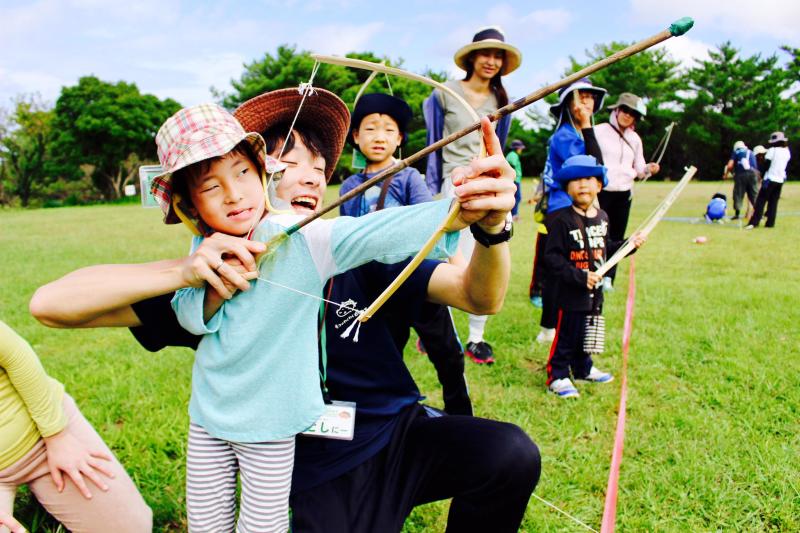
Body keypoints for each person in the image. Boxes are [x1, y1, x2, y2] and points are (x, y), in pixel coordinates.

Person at [31, 89, 540, 533]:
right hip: (317, 458)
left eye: (320, 167)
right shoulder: (213, 275)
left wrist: (486, 220)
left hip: (397, 431)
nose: (310, 179)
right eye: (289, 163)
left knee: (508, 454)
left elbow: (480, 298)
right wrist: (183, 271)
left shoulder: (340, 244)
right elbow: (52, 306)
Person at [153, 97, 495, 531]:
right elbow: (186, 316)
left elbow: (372, 233)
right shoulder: (203, 248)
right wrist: (213, 285)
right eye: (210, 186)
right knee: (207, 523)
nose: (234, 194)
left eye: (242, 173)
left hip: (272, 424)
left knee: (262, 524)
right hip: (207, 417)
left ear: (260, 173)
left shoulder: (300, 237)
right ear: (188, 205)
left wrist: (457, 210)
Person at [340, 93, 471, 413]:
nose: (379, 136)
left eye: (388, 129)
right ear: (356, 137)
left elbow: (435, 223)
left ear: (399, 139)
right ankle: (390, 414)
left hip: (418, 277)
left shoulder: (409, 176)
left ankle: (460, 411)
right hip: (377, 287)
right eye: (369, 129)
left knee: (447, 353)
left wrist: (458, 268)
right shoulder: (348, 186)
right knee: (385, 351)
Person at [423, 26, 521, 364]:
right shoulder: (443, 93)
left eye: (498, 56)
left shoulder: (502, 101)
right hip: (451, 186)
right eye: (486, 54)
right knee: (446, 256)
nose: (491, 61)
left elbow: (501, 147)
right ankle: (441, 330)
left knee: (487, 253)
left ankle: (476, 338)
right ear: (472, 57)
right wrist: (435, 187)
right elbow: (432, 142)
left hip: (488, 188)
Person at [0, 319, 151, 533]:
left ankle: (50, 490)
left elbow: (16, 356)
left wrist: (56, 436)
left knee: (132, 529)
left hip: (43, 440)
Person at [542, 155, 645, 398]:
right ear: (567, 187)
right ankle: (557, 375)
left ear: (599, 185)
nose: (582, 185)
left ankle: (582, 367)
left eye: (588, 179)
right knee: (567, 334)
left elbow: (606, 248)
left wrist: (629, 244)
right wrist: (579, 276)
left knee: (586, 332)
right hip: (569, 292)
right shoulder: (560, 221)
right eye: (575, 180)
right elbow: (553, 258)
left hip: (594, 293)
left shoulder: (603, 217)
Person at [531, 77, 607, 345]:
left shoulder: (579, 133)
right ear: (568, 104)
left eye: (590, 95)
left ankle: (572, 324)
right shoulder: (565, 135)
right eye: (580, 96)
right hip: (562, 209)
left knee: (578, 266)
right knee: (558, 268)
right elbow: (595, 164)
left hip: (578, 207)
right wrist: (587, 125)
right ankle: (549, 327)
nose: (586, 100)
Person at [595, 92, 660, 290]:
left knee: (617, 235)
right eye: (625, 110)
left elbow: (640, 169)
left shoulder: (635, 139)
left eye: (633, 113)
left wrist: (649, 168)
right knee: (598, 235)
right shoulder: (598, 131)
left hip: (624, 193)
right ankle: (594, 273)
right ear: (616, 109)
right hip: (601, 191)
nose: (627, 115)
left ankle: (609, 278)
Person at [746, 131, 791, 229]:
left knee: (761, 201)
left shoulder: (772, 150)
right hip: (780, 179)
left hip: (770, 178)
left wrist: (761, 175)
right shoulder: (787, 151)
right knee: (773, 202)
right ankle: (770, 223)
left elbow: (767, 165)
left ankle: (754, 222)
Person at [723, 140, 758, 220]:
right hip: (753, 174)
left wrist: (726, 174)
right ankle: (759, 214)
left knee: (738, 194)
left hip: (741, 175)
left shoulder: (737, 152)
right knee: (754, 194)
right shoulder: (751, 152)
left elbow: (729, 165)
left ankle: (737, 214)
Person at [506, 139, 525, 221]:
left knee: (516, 197)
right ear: (517, 148)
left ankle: (513, 214)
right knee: (517, 197)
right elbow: (511, 165)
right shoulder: (513, 155)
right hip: (514, 179)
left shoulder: (512, 154)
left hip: (515, 179)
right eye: (520, 148)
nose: (521, 150)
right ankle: (514, 215)